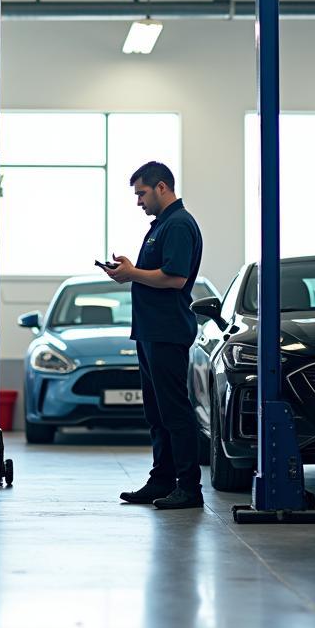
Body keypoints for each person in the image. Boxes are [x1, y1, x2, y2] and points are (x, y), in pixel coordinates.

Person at [103, 161, 205, 510]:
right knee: (156, 413)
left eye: (142, 193)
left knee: (174, 411)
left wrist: (132, 274)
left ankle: (189, 488)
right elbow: (156, 272)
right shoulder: (162, 225)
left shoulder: (178, 225)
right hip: (151, 331)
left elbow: (175, 279)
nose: (138, 201)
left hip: (167, 331)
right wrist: (132, 269)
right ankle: (161, 479)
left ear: (162, 187)